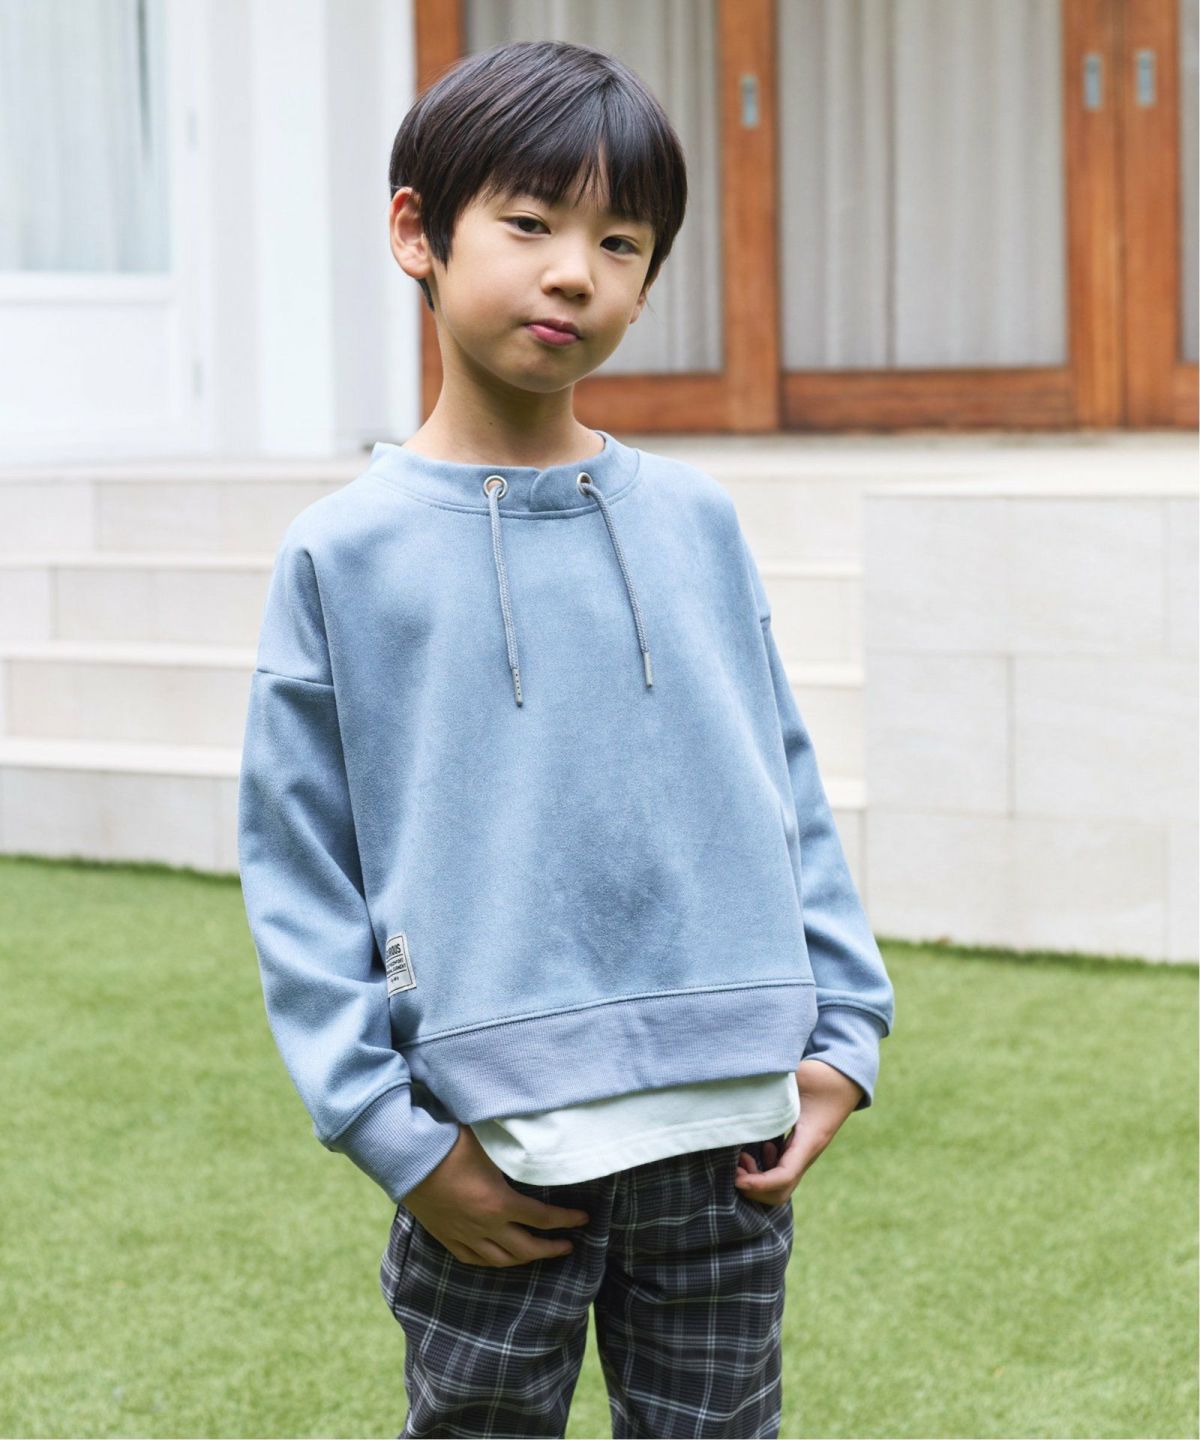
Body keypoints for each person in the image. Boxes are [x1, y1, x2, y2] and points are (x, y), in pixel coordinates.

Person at [237, 36, 895, 1440]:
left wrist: (845, 1029)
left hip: (725, 1143)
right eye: (529, 223)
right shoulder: (344, 554)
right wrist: (396, 1140)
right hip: (488, 1149)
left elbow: (780, 778)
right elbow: (299, 865)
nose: (575, 274)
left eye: (621, 242)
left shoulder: (697, 521)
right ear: (417, 232)